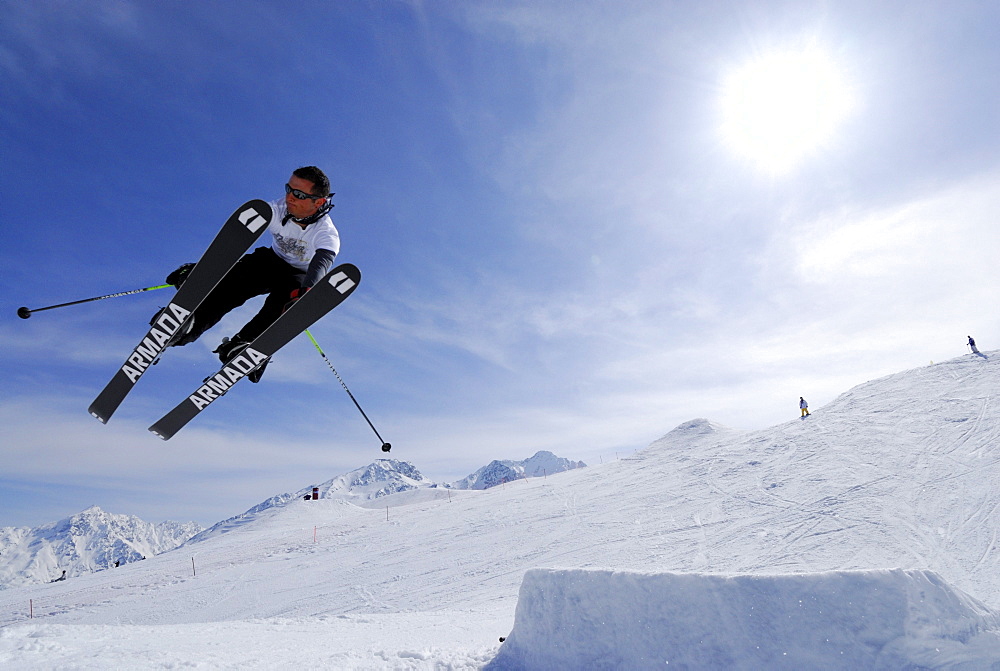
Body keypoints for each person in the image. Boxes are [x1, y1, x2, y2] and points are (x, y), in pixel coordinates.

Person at [161, 167, 340, 382]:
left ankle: (247, 345)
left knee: (286, 300)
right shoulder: (276, 209)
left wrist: (304, 298)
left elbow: (320, 266)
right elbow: (234, 240)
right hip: (270, 262)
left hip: (299, 275)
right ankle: (188, 324)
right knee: (236, 283)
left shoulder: (326, 234)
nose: (289, 197)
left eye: (299, 194)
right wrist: (203, 271)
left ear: (318, 202)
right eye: (288, 189)